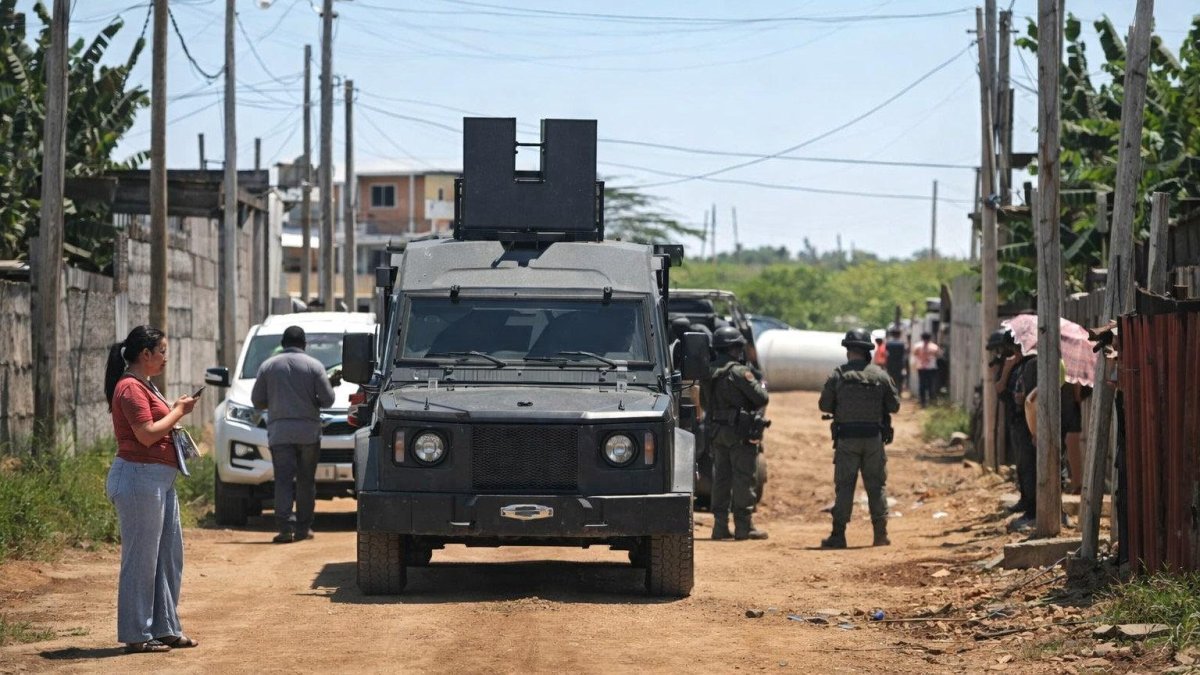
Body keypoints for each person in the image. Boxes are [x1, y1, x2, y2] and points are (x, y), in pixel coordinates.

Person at [104, 325, 199, 654]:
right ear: (145, 354)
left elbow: (157, 423)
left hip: (158, 481)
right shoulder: (129, 388)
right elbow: (145, 434)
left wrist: (173, 408)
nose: (165, 358)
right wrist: (178, 411)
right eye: (162, 352)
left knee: (168, 558)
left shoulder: (145, 385)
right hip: (139, 480)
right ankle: (136, 633)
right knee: (141, 561)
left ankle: (165, 627)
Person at [251, 326, 338, 543]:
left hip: (280, 433)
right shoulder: (314, 366)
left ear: (283, 343)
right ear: (305, 344)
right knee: (306, 481)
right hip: (308, 434)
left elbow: (257, 401)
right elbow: (328, 400)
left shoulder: (268, 366)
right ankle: (303, 528)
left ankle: (285, 529)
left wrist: (276, 401)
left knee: (283, 480)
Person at [818, 328, 900, 549]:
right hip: (874, 438)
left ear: (848, 351)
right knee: (876, 486)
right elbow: (894, 405)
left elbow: (824, 405)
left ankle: (838, 535)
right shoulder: (881, 375)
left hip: (847, 439)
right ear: (868, 352)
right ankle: (880, 535)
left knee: (844, 487)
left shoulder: (838, 375)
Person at [705, 326, 770, 541]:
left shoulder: (708, 371)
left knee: (721, 479)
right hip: (740, 433)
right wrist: (760, 384)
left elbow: (705, 403)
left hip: (717, 431)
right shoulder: (740, 372)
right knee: (743, 478)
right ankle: (744, 527)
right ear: (734, 348)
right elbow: (761, 398)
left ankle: (719, 527)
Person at [911, 331, 942, 407]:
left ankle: (923, 402)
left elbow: (914, 354)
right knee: (931, 384)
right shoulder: (934, 347)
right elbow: (938, 356)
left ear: (921, 337)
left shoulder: (917, 346)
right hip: (931, 368)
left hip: (921, 368)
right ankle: (931, 401)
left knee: (922, 385)